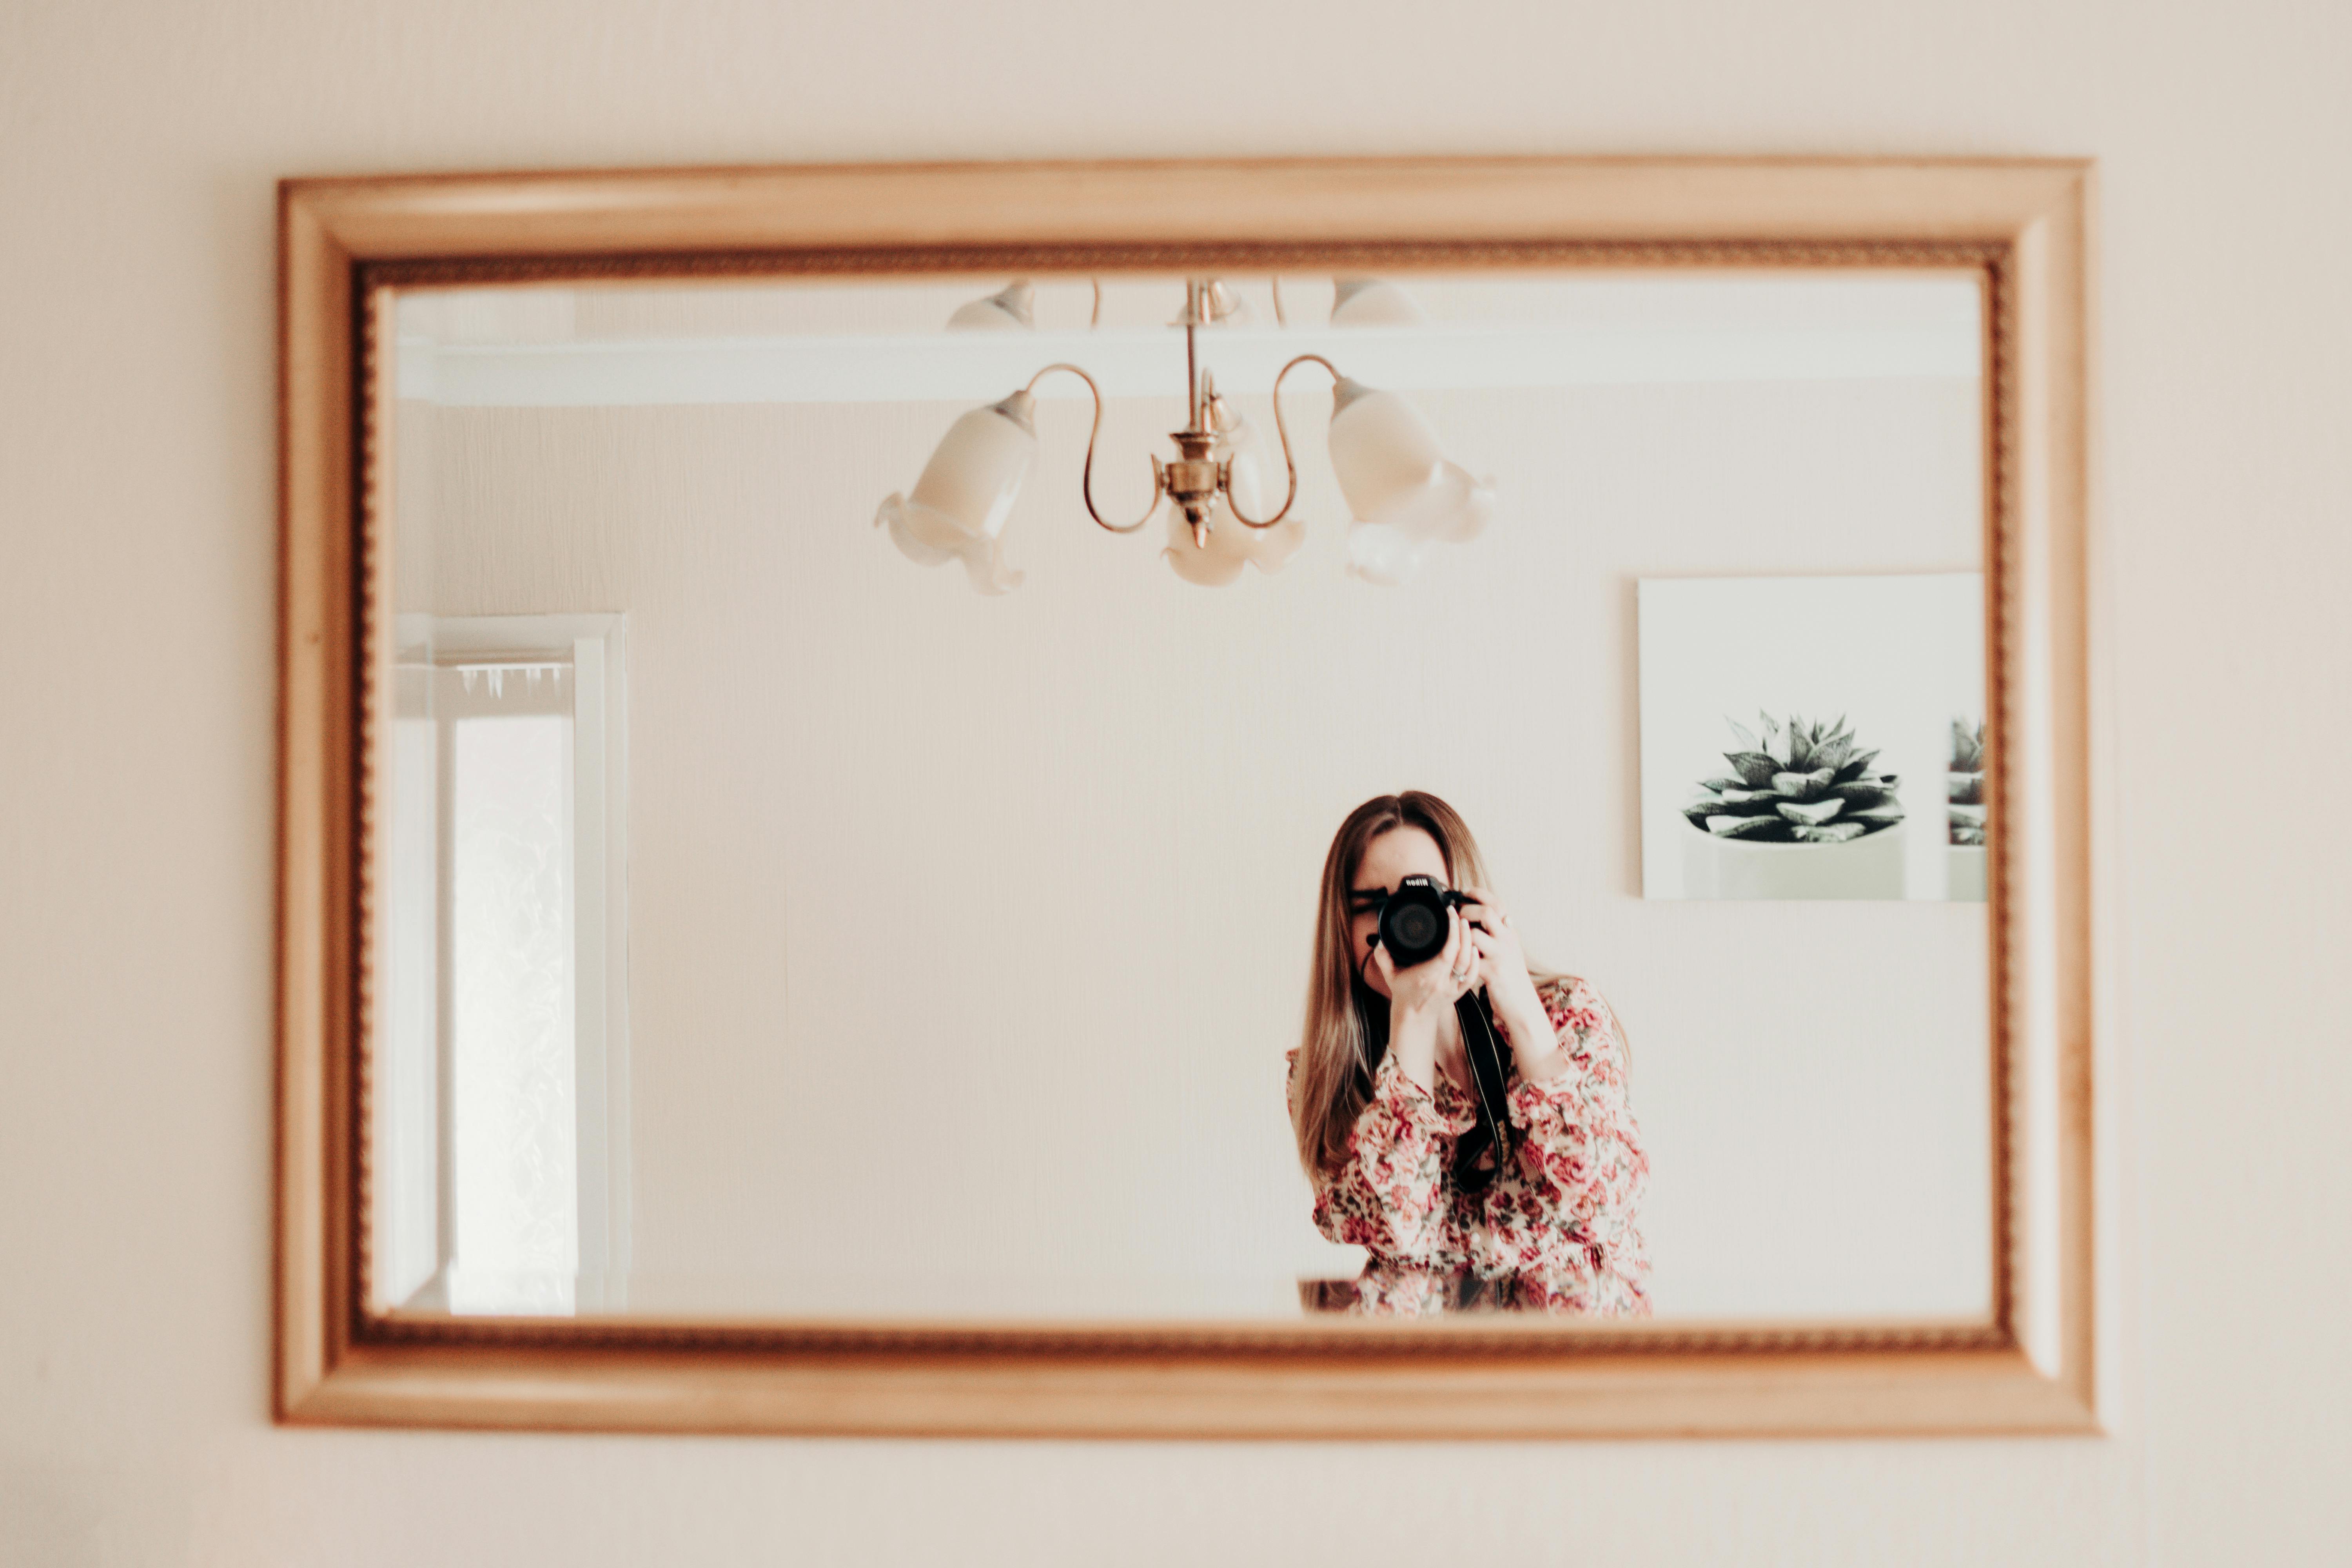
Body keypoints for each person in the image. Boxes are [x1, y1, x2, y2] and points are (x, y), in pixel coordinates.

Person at [1287, 791, 1651, 1316]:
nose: (1407, 924)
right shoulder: (1331, 1071)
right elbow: (1395, 1233)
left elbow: (1604, 1203)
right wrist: (1411, 1021)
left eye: (1425, 904)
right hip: (1432, 1365)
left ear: (1470, 907)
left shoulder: (1565, 1014)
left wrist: (1522, 1009)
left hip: (1580, 1349)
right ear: (1342, 928)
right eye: (1375, 907)